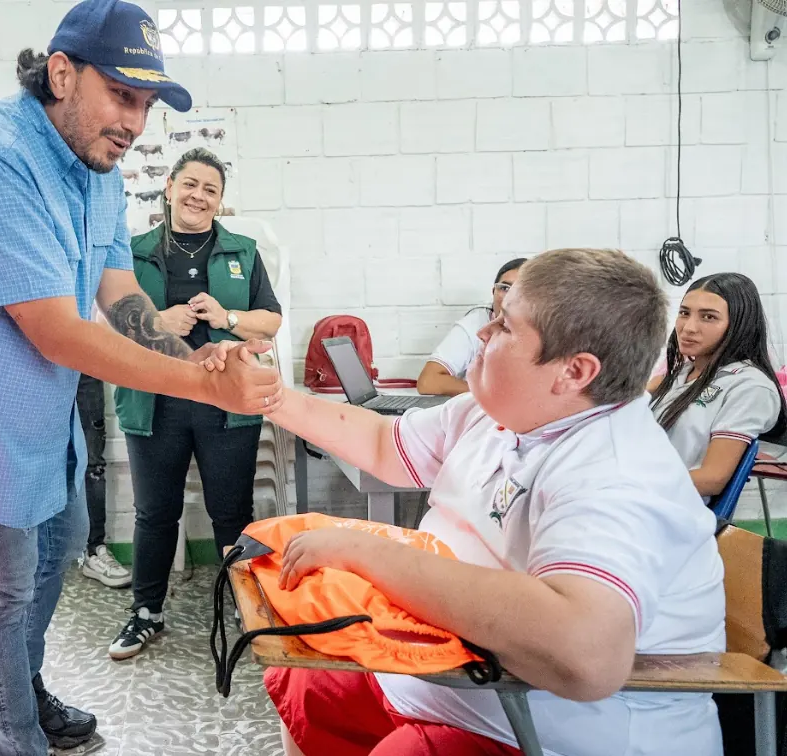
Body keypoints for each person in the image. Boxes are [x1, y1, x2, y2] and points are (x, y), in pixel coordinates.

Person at [0, 0, 282, 752]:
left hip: (39, 408)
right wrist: (204, 386)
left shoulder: (97, 167)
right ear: (61, 73)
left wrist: (197, 357)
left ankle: (15, 692)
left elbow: (121, 297)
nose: (135, 123)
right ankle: (13, 734)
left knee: (62, 545)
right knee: (0, 589)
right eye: (122, 96)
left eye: (146, 105)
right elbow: (58, 329)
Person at [237, 248, 725, 756]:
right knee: (310, 686)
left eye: (505, 327)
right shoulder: (503, 411)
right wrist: (265, 399)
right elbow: (386, 445)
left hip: (546, 728)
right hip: (462, 679)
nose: (483, 334)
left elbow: (587, 656)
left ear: (574, 371)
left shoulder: (617, 474)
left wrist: (367, 553)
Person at [110, 147, 282, 660]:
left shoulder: (243, 251)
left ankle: (245, 605)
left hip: (226, 403)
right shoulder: (132, 250)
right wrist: (157, 322)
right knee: (155, 513)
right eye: (190, 184)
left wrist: (228, 316)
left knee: (233, 512)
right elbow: (108, 325)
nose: (198, 196)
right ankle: (146, 613)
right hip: (155, 400)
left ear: (220, 201)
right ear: (168, 187)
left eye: (210, 189)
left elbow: (270, 322)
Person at [649, 272, 787, 500]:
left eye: (708, 317)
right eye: (685, 313)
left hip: (670, 512)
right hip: (641, 499)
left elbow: (711, 479)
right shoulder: (677, 376)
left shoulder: (750, 387)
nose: (688, 327)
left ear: (739, 326)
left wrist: (628, 489)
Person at [416, 258, 525, 396]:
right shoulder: (475, 325)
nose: (510, 297)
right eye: (504, 288)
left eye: (521, 290)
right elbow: (428, 382)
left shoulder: (549, 326)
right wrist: (490, 396)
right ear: (493, 292)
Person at [77, 372, 132, 588]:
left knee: (93, 465)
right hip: (36, 365)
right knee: (36, 461)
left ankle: (94, 550)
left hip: (82, 367)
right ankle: (35, 557)